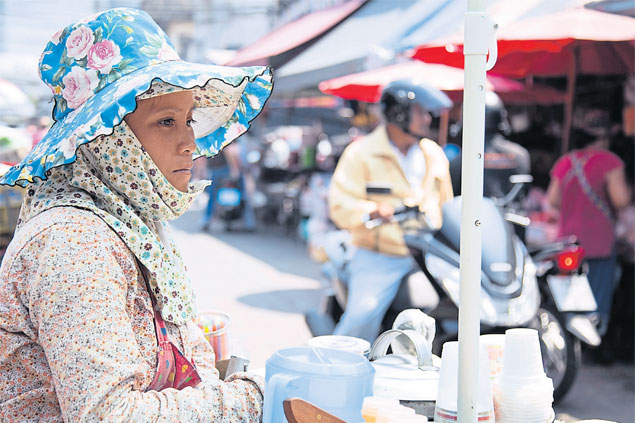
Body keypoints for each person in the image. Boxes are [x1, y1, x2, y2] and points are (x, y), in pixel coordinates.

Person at [0, 8, 272, 422]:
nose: (188, 143)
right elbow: (111, 415)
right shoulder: (72, 242)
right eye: (165, 121)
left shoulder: (127, 219)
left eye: (189, 120)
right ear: (107, 138)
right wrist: (253, 397)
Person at [328, 79, 454, 342]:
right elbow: (339, 206)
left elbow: (448, 204)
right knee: (363, 314)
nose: (427, 118)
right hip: (380, 254)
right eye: (420, 111)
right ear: (399, 113)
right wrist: (373, 210)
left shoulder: (433, 153)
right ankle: (333, 365)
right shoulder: (361, 153)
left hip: (429, 254)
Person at [547, 119, 631, 336]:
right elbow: (621, 199)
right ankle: (595, 332)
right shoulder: (610, 162)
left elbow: (553, 199)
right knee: (597, 293)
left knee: (569, 291)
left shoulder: (566, 161)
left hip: (567, 240)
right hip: (599, 240)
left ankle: (566, 333)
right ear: (604, 138)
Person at [449, 91, 531, 199]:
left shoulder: (460, 161)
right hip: (510, 215)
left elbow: (452, 197)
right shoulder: (521, 156)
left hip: (474, 216)